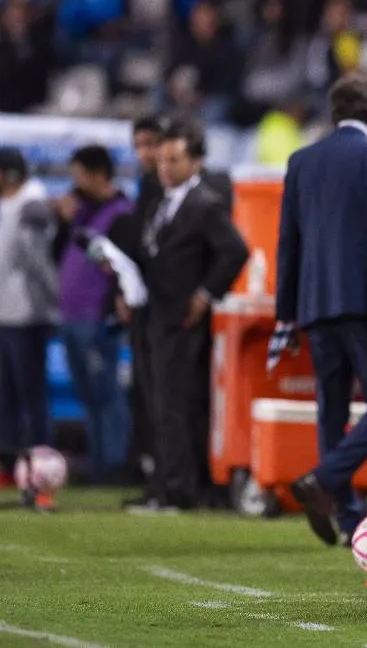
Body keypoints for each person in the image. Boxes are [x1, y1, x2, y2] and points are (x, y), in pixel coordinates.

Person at [273, 74, 367, 546]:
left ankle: (348, 519)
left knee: (330, 407)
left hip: (314, 303)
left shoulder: (303, 160)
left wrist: (286, 311)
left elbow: (289, 241)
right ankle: (326, 479)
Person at [126, 119, 249, 513]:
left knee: (173, 406)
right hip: (155, 313)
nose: (164, 167)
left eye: (174, 160)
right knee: (160, 404)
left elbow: (235, 250)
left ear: (196, 162)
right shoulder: (165, 199)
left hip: (180, 319)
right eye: (162, 160)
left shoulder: (203, 204)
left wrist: (205, 293)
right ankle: (167, 484)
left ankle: (177, 490)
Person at [52, 145, 134, 484]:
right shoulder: (82, 212)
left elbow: (124, 268)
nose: (75, 182)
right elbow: (59, 253)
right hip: (72, 315)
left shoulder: (121, 213)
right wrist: (63, 221)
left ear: (99, 175)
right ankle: (99, 462)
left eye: (80, 175)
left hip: (96, 315)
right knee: (88, 392)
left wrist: (114, 303)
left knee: (106, 392)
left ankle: (115, 464)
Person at [0, 147, 58, 498]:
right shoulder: (9, 205)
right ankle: (10, 465)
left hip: (25, 314)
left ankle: (41, 469)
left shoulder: (32, 206)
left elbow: (39, 265)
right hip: (5, 312)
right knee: (5, 397)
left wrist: (52, 305)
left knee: (30, 395)